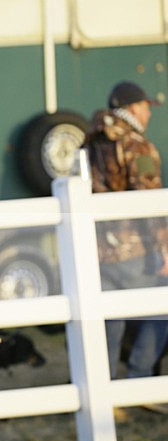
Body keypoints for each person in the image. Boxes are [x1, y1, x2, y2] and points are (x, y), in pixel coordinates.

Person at [82, 80, 168, 380]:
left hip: (98, 249)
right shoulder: (137, 145)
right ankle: (140, 377)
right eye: (146, 107)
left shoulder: (92, 143)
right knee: (161, 309)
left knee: (110, 320)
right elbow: (149, 200)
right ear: (133, 108)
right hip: (134, 249)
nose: (149, 113)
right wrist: (165, 248)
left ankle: (104, 389)